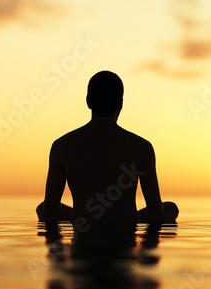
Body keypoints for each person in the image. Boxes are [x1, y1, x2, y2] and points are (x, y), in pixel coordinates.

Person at [37, 71, 179, 229]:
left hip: (83, 235)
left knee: (41, 208)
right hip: (125, 232)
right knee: (171, 208)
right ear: (121, 103)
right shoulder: (142, 147)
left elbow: (50, 209)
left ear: (88, 101)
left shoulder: (61, 145)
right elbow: (155, 210)